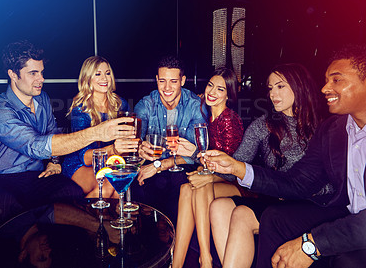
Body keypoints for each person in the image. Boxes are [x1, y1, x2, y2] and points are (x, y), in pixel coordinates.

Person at [205, 44, 366, 268]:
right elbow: (298, 181)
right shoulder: (333, 129)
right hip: (287, 199)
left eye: (336, 80)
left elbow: (320, 190)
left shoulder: (321, 124)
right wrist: (235, 167)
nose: (325, 88)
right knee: (260, 213)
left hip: (325, 207)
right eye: (270, 88)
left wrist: (311, 244)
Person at [0, 41, 134, 236]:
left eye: (42, 72)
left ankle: (79, 246)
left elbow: (53, 133)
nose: (41, 79)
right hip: (2, 178)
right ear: (13, 74)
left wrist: (54, 161)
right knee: (2, 206)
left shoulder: (42, 99)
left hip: (36, 176)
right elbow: (35, 146)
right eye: (33, 73)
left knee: (71, 191)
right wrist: (98, 133)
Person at [171, 67, 244, 268]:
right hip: (215, 176)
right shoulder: (207, 114)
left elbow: (228, 167)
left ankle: (206, 258)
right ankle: (176, 264)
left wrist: (198, 158)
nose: (212, 92)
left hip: (236, 182)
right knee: (186, 188)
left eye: (220, 89)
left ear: (229, 95)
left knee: (199, 185)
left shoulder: (228, 120)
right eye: (210, 85)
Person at [133, 55, 207, 223]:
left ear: (182, 80)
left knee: (177, 184)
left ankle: (172, 239)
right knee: (140, 185)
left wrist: (159, 166)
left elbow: (196, 152)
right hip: (152, 166)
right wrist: (139, 148)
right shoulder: (146, 104)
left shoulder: (195, 106)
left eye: (173, 81)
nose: (167, 87)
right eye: (162, 81)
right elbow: (134, 141)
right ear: (156, 80)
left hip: (179, 167)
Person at [62, 56, 139, 198]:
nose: (104, 78)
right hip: (80, 164)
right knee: (106, 186)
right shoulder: (81, 109)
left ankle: (114, 220)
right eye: (98, 74)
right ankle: (87, 220)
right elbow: (84, 157)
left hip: (109, 162)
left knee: (119, 187)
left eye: (107, 73)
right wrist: (114, 149)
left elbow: (128, 140)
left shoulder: (120, 103)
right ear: (87, 78)